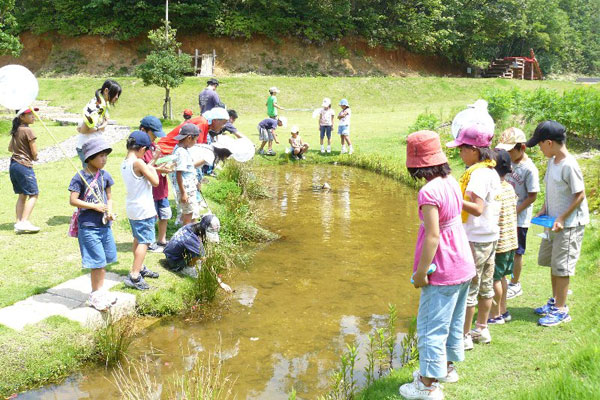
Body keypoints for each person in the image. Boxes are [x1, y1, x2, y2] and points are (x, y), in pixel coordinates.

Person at [399, 130, 475, 400]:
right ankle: (447, 368)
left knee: (431, 326)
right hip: (463, 263)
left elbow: (433, 236)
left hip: (442, 269)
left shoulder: (428, 192)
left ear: (415, 163)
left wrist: (421, 272)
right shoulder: (450, 180)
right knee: (453, 322)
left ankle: (427, 385)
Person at [526, 120, 589, 327]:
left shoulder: (569, 165)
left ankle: (562, 310)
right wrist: (545, 208)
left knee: (563, 267)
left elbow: (579, 195)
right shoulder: (552, 161)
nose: (540, 148)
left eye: (540, 144)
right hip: (553, 222)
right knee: (554, 263)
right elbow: (553, 190)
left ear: (550, 143)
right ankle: (555, 302)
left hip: (568, 225)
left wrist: (562, 217)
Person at [446, 124, 500, 349]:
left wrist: (453, 198)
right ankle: (482, 329)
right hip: (489, 236)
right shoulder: (490, 170)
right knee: (486, 285)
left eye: (462, 149)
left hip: (476, 238)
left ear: (475, 150)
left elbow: (476, 208)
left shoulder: (477, 175)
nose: (460, 153)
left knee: (469, 287)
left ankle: (464, 336)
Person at [68, 137, 117, 311]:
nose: (104, 159)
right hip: (88, 226)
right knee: (97, 261)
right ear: (89, 158)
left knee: (104, 260)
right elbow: (73, 200)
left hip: (104, 225)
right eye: (100, 156)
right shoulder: (80, 176)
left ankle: (100, 291)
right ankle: (95, 295)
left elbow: (109, 197)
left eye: (106, 156)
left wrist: (109, 211)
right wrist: (94, 206)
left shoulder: (105, 175)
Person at [495, 127, 540, 299]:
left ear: (522, 148)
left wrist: (515, 212)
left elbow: (532, 196)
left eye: (510, 150)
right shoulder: (508, 163)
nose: (506, 154)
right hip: (504, 215)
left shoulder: (529, 169)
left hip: (519, 218)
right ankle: (502, 279)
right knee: (503, 248)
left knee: (517, 252)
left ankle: (515, 283)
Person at [121, 131, 160, 291]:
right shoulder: (139, 163)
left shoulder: (125, 161)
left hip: (133, 207)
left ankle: (140, 266)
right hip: (143, 209)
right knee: (145, 241)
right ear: (142, 148)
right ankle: (135, 275)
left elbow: (143, 171)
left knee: (138, 238)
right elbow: (156, 182)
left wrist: (154, 160)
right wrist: (157, 169)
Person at [488, 149, 518, 324]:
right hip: (511, 242)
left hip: (499, 244)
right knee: (503, 278)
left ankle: (495, 314)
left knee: (494, 280)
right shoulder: (509, 187)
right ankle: (503, 310)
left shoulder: (495, 190)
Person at [162, 214, 231, 291]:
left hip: (171, 253)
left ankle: (189, 264)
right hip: (173, 262)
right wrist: (220, 282)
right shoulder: (193, 241)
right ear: (203, 229)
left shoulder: (193, 226)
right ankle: (186, 269)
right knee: (200, 261)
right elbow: (206, 263)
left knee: (199, 255)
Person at [139, 116, 172, 253]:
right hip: (150, 191)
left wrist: (167, 164)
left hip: (162, 188)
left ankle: (162, 239)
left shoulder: (154, 147)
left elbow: (157, 163)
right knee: (152, 217)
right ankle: (150, 241)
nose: (155, 138)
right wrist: (159, 167)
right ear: (143, 130)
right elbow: (145, 168)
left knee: (165, 214)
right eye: (153, 134)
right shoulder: (141, 149)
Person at [9, 107, 41, 234]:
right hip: (24, 165)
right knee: (34, 194)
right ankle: (24, 222)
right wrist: (35, 157)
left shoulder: (16, 130)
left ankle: (18, 223)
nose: (33, 116)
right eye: (30, 114)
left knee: (22, 195)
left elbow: (10, 148)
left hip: (14, 165)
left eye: (33, 113)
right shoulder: (28, 130)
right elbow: (34, 152)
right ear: (21, 117)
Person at [76, 79, 121, 166]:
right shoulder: (97, 106)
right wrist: (98, 128)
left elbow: (105, 123)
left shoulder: (103, 105)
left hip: (95, 146)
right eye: (115, 93)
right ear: (106, 91)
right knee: (91, 176)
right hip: (87, 147)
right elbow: (83, 130)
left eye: (118, 94)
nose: (117, 97)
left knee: (97, 175)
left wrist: (101, 126)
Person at [158, 107, 229, 154]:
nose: (223, 127)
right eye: (223, 123)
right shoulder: (202, 123)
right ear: (215, 120)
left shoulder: (205, 124)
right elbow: (196, 149)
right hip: (165, 150)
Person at [170, 124, 200, 226]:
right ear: (189, 138)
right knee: (188, 215)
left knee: (189, 213)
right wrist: (183, 193)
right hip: (186, 190)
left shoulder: (178, 148)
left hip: (188, 188)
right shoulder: (182, 152)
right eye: (196, 140)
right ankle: (185, 237)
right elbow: (179, 173)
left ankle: (190, 235)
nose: (196, 142)